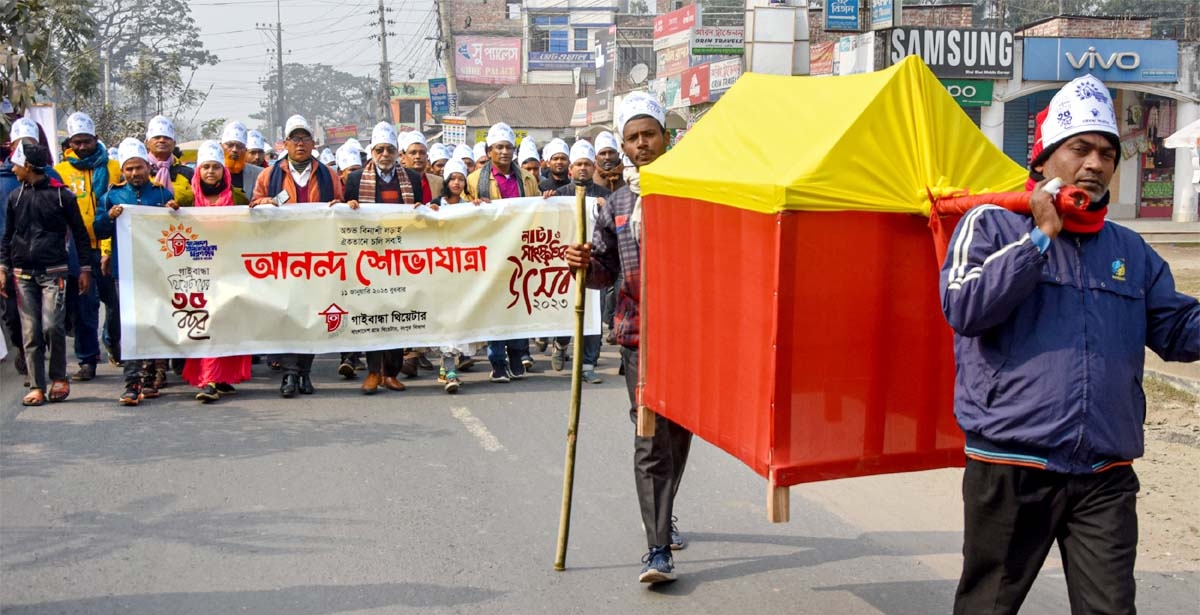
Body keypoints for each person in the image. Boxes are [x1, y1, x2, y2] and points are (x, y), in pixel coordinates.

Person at [941, 74, 1200, 615]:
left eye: (1107, 153)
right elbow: (965, 309)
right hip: (1012, 464)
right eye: (1079, 148)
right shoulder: (989, 225)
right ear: (1043, 159)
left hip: (1104, 473)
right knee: (987, 607)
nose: (1096, 163)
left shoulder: (1131, 250)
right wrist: (1039, 238)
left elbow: (1177, 332)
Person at [565, 92, 690, 584]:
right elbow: (603, 270)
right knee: (649, 437)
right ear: (623, 145)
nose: (642, 144)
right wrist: (585, 264)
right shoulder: (614, 203)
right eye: (633, 138)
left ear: (665, 137)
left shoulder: (690, 189)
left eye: (649, 135)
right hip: (639, 336)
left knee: (680, 435)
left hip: (690, 336)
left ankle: (664, 508)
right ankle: (657, 548)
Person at [251, 114, 345, 398]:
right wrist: (263, 202)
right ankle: (290, 373)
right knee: (288, 313)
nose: (300, 144)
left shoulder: (328, 174)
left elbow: (338, 205)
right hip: (284, 257)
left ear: (313, 143)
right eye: (295, 139)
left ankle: (305, 372)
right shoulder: (269, 175)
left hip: (319, 256)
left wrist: (340, 206)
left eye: (305, 138)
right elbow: (254, 207)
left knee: (313, 314)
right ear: (286, 144)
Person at [0, 143, 95, 406]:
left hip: (55, 272)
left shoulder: (63, 196)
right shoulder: (15, 197)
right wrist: (3, 268)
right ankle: (36, 386)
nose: (13, 169)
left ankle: (59, 378)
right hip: (23, 274)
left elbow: (79, 234)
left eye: (16, 164)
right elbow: (7, 237)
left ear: (28, 167)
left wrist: (85, 268)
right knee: (30, 333)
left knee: (53, 326)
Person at [93, 138, 180, 405]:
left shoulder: (162, 194)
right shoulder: (112, 195)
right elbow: (98, 230)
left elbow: (175, 231)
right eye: (129, 169)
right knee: (129, 324)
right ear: (122, 170)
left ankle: (153, 374)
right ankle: (132, 382)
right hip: (125, 271)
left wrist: (175, 212)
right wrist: (109, 217)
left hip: (156, 270)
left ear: (147, 167)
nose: (134, 174)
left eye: (139, 168)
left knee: (155, 320)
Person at [343, 122, 427, 394]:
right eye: (380, 149)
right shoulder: (356, 180)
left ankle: (391, 372)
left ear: (397, 152)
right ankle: (372, 372)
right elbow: (344, 215)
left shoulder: (412, 179)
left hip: (400, 256)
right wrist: (350, 207)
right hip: (368, 257)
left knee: (397, 312)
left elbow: (422, 213)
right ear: (372, 152)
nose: (385, 154)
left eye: (390, 149)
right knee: (371, 313)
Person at [178, 141, 252, 403]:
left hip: (231, 269)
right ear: (198, 171)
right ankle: (208, 378)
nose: (211, 172)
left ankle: (222, 376)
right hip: (197, 272)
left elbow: (256, 223)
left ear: (224, 171)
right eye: (206, 167)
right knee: (207, 321)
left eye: (216, 167)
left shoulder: (239, 197)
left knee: (227, 322)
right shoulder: (185, 199)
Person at [466, 123, 541, 383]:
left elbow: (537, 212)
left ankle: (516, 356)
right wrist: (473, 206)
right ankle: (497, 361)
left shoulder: (528, 179)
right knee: (495, 308)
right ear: (489, 151)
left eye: (509, 147)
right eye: (499, 147)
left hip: (520, 252)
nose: (505, 152)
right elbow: (462, 215)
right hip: (489, 253)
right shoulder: (475, 180)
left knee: (518, 306)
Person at [54, 111, 121, 382]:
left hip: (110, 246)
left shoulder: (114, 167)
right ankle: (87, 359)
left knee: (115, 303)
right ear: (70, 143)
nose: (82, 147)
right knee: (85, 306)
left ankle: (112, 339)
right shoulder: (60, 172)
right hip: (78, 250)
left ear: (96, 139)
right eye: (77, 142)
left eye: (87, 141)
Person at [1, 117, 62, 387]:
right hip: (14, 264)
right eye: (20, 145)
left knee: (49, 324)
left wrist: (76, 264)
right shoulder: (7, 185)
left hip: (50, 265)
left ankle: (44, 376)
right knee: (15, 320)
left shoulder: (55, 182)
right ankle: (26, 358)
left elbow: (69, 226)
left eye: (31, 144)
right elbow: (6, 231)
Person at [547, 140, 610, 383]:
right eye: (578, 164)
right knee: (566, 309)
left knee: (593, 314)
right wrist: (546, 203)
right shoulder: (559, 195)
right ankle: (561, 344)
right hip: (566, 263)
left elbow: (615, 227)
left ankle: (587, 363)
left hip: (597, 264)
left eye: (587, 164)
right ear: (571, 169)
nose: (582, 168)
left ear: (594, 167)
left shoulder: (606, 196)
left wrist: (606, 209)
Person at [144, 115, 195, 206]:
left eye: (167, 138)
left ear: (174, 143)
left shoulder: (188, 174)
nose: (162, 140)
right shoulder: (139, 171)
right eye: (157, 137)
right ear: (147, 143)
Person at [220, 121, 262, 200]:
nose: (235, 150)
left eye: (239, 146)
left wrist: (268, 202)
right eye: (230, 145)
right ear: (221, 147)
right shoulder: (211, 174)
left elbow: (283, 197)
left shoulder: (261, 174)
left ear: (245, 150)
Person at [399, 130, 443, 205]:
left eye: (422, 153)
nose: (418, 156)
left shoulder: (438, 182)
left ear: (427, 156)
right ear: (403, 157)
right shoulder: (396, 181)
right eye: (413, 153)